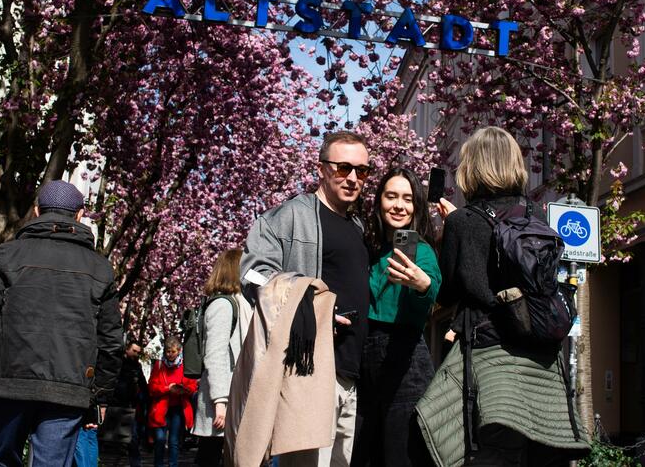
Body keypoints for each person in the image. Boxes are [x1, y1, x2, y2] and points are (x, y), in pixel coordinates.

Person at [415, 127, 589, 466]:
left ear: (472, 167)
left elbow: (449, 290)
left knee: (488, 451)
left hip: (490, 359)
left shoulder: (462, 221)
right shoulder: (536, 215)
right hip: (540, 360)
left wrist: (451, 232)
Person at [0, 180, 123, 467]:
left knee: (4, 460)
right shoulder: (100, 268)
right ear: (80, 215)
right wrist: (100, 398)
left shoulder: (7, 255)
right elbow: (111, 341)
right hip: (68, 389)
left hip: (11, 382)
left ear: (36, 210)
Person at [240, 130, 372, 466]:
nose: (353, 178)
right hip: (311, 372)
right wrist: (309, 305)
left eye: (362, 170)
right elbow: (252, 273)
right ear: (322, 169)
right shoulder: (291, 216)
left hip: (350, 376)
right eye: (343, 168)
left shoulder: (357, 226)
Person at [351, 168, 441, 467]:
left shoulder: (422, 252)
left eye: (407, 198)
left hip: (406, 362)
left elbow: (430, 288)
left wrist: (422, 285)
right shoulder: (369, 250)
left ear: (416, 206)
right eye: (391, 196)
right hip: (363, 366)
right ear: (378, 202)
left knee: (403, 457)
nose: (399, 205)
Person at [191, 249, 253, 466]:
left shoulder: (238, 304)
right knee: (209, 457)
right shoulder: (222, 305)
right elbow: (215, 354)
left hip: (231, 397)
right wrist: (220, 401)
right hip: (221, 400)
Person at [149, 337, 197, 467]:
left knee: (174, 441)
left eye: (173, 352)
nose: (170, 354)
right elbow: (152, 387)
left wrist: (183, 390)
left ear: (179, 351)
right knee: (159, 440)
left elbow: (192, 386)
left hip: (177, 409)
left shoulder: (185, 366)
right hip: (161, 408)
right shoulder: (159, 366)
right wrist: (167, 388)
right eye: (168, 351)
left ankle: (173, 465)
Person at [115, 341, 148, 467]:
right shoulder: (117, 363)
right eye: (134, 351)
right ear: (127, 350)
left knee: (132, 439)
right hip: (114, 404)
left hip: (129, 406)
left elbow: (143, 385)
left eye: (138, 352)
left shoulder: (137, 367)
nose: (136, 354)